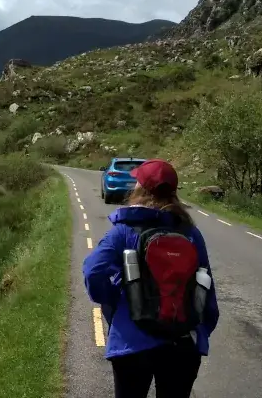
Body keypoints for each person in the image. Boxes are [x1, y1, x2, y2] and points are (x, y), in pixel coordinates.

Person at [82, 159, 219, 398]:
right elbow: (206, 285)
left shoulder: (124, 230)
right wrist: (199, 330)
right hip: (183, 342)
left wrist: (113, 302)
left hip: (132, 343)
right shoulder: (190, 232)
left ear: (141, 189)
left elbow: (94, 272)